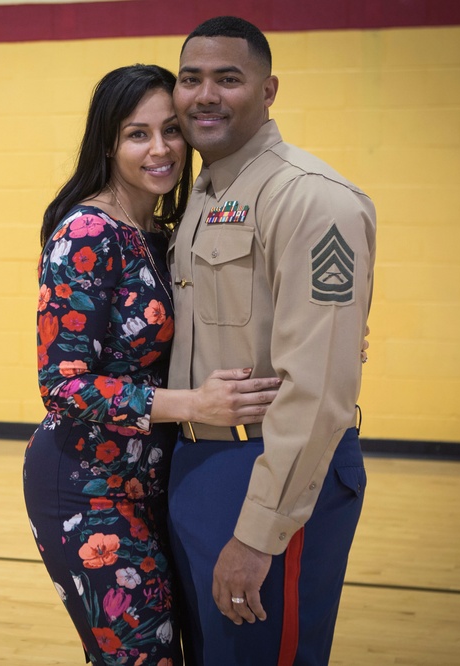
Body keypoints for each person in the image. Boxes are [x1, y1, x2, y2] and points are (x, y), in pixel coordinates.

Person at [23, 64, 281, 666]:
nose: (161, 149)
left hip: (154, 484)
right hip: (87, 492)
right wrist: (195, 405)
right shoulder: (85, 232)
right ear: (108, 143)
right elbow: (64, 387)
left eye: (171, 130)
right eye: (138, 134)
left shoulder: (165, 230)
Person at [165, 16, 377, 666]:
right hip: (196, 467)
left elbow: (316, 395)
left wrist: (260, 534)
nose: (205, 95)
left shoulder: (313, 200)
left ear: (268, 89)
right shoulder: (204, 191)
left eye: (228, 79)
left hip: (266, 470)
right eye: (191, 78)